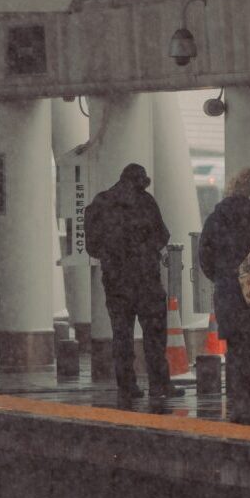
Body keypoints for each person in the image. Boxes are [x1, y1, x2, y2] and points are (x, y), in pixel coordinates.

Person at [83, 162, 184, 406]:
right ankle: (159, 384)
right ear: (141, 181)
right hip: (145, 279)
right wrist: (144, 250)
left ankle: (127, 385)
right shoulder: (145, 202)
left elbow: (91, 246)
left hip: (116, 281)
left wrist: (113, 255)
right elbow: (163, 235)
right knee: (154, 334)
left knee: (122, 334)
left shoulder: (101, 203)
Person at [198, 167, 250, 426]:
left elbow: (204, 256)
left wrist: (222, 277)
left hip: (228, 292)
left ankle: (237, 403)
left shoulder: (216, 217)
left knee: (233, 349)